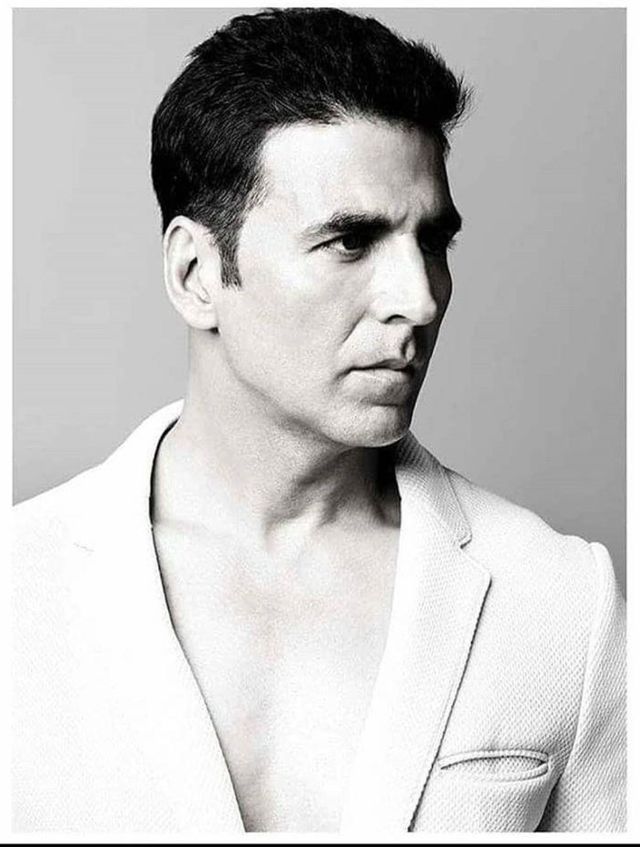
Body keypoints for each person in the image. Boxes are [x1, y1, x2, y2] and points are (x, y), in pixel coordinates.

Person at [12, 7, 625, 834]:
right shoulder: (20, 589)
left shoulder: (560, 600)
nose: (420, 299)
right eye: (350, 241)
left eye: (432, 241)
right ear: (195, 273)